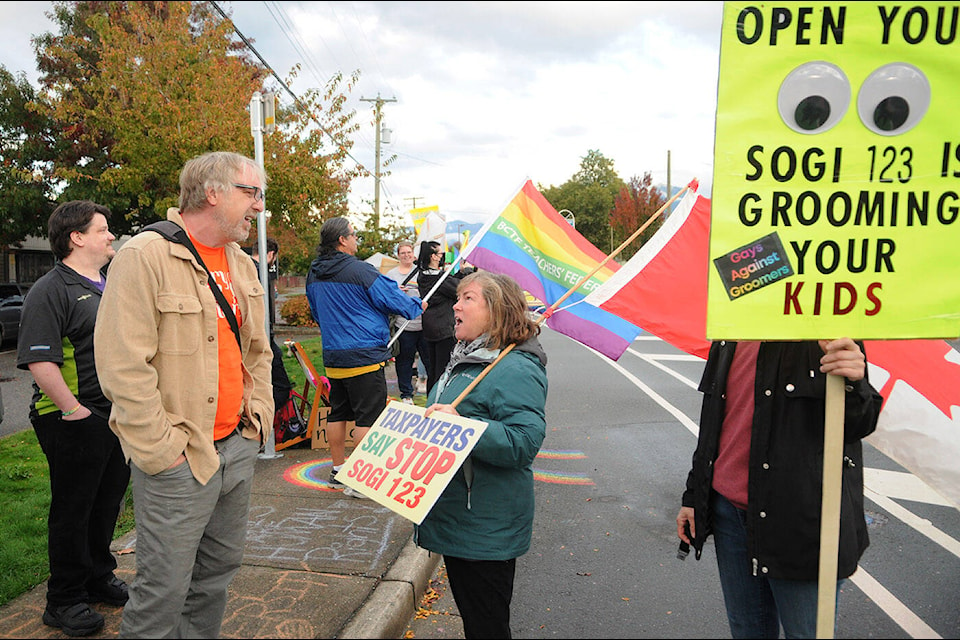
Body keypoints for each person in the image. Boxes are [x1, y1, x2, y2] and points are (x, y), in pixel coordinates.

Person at [94, 151, 275, 638]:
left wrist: (256, 419)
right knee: (162, 590)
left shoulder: (241, 263)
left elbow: (258, 352)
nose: (260, 206)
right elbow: (121, 366)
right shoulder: (144, 255)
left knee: (213, 580)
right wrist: (163, 451)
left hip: (236, 448)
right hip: (180, 459)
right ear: (213, 193)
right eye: (251, 193)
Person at [676, 338, 883, 639]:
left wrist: (855, 383)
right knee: (748, 631)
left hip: (801, 523)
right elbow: (713, 422)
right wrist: (693, 496)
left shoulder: (826, 327)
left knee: (806, 634)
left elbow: (859, 424)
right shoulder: (731, 329)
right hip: (729, 514)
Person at [16, 200, 131, 637]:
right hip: (71, 417)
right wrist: (74, 410)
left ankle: (97, 576)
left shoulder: (109, 283)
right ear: (76, 237)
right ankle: (63, 599)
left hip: (113, 414)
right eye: (102, 230)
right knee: (73, 509)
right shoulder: (51, 289)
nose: (110, 237)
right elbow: (38, 360)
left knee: (106, 504)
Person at [415, 271, 548, 639]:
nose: (456, 305)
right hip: (461, 520)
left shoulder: (516, 367)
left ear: (497, 310)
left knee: (486, 627)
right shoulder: (466, 358)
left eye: (468, 298)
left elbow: (523, 442)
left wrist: (463, 427)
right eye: (458, 298)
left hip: (485, 527)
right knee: (477, 623)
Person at [304, 216, 423, 497]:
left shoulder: (314, 272)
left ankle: (338, 469)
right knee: (367, 418)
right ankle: (360, 479)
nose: (357, 239)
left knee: (338, 413)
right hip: (364, 356)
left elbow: (315, 311)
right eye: (353, 235)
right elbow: (395, 301)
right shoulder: (361, 271)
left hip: (334, 355)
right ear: (342, 240)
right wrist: (416, 304)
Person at [249, 236, 293, 415]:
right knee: (280, 387)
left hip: (251, 338)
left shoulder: (243, 269)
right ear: (271, 255)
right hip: (263, 337)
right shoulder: (260, 273)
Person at [385, 239, 430, 403]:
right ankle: (406, 394)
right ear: (398, 255)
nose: (406, 256)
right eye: (403, 253)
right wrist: (397, 292)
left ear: (414, 254)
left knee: (428, 360)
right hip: (403, 325)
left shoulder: (422, 272)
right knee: (404, 360)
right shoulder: (391, 275)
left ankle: (431, 391)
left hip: (423, 324)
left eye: (409, 253)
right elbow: (386, 298)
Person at [416, 240, 461, 395]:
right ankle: (438, 399)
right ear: (434, 257)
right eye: (441, 253)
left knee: (433, 370)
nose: (442, 256)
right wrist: (466, 272)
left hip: (429, 327)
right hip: (443, 329)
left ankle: (431, 399)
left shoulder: (423, 276)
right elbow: (458, 289)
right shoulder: (438, 280)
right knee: (443, 370)